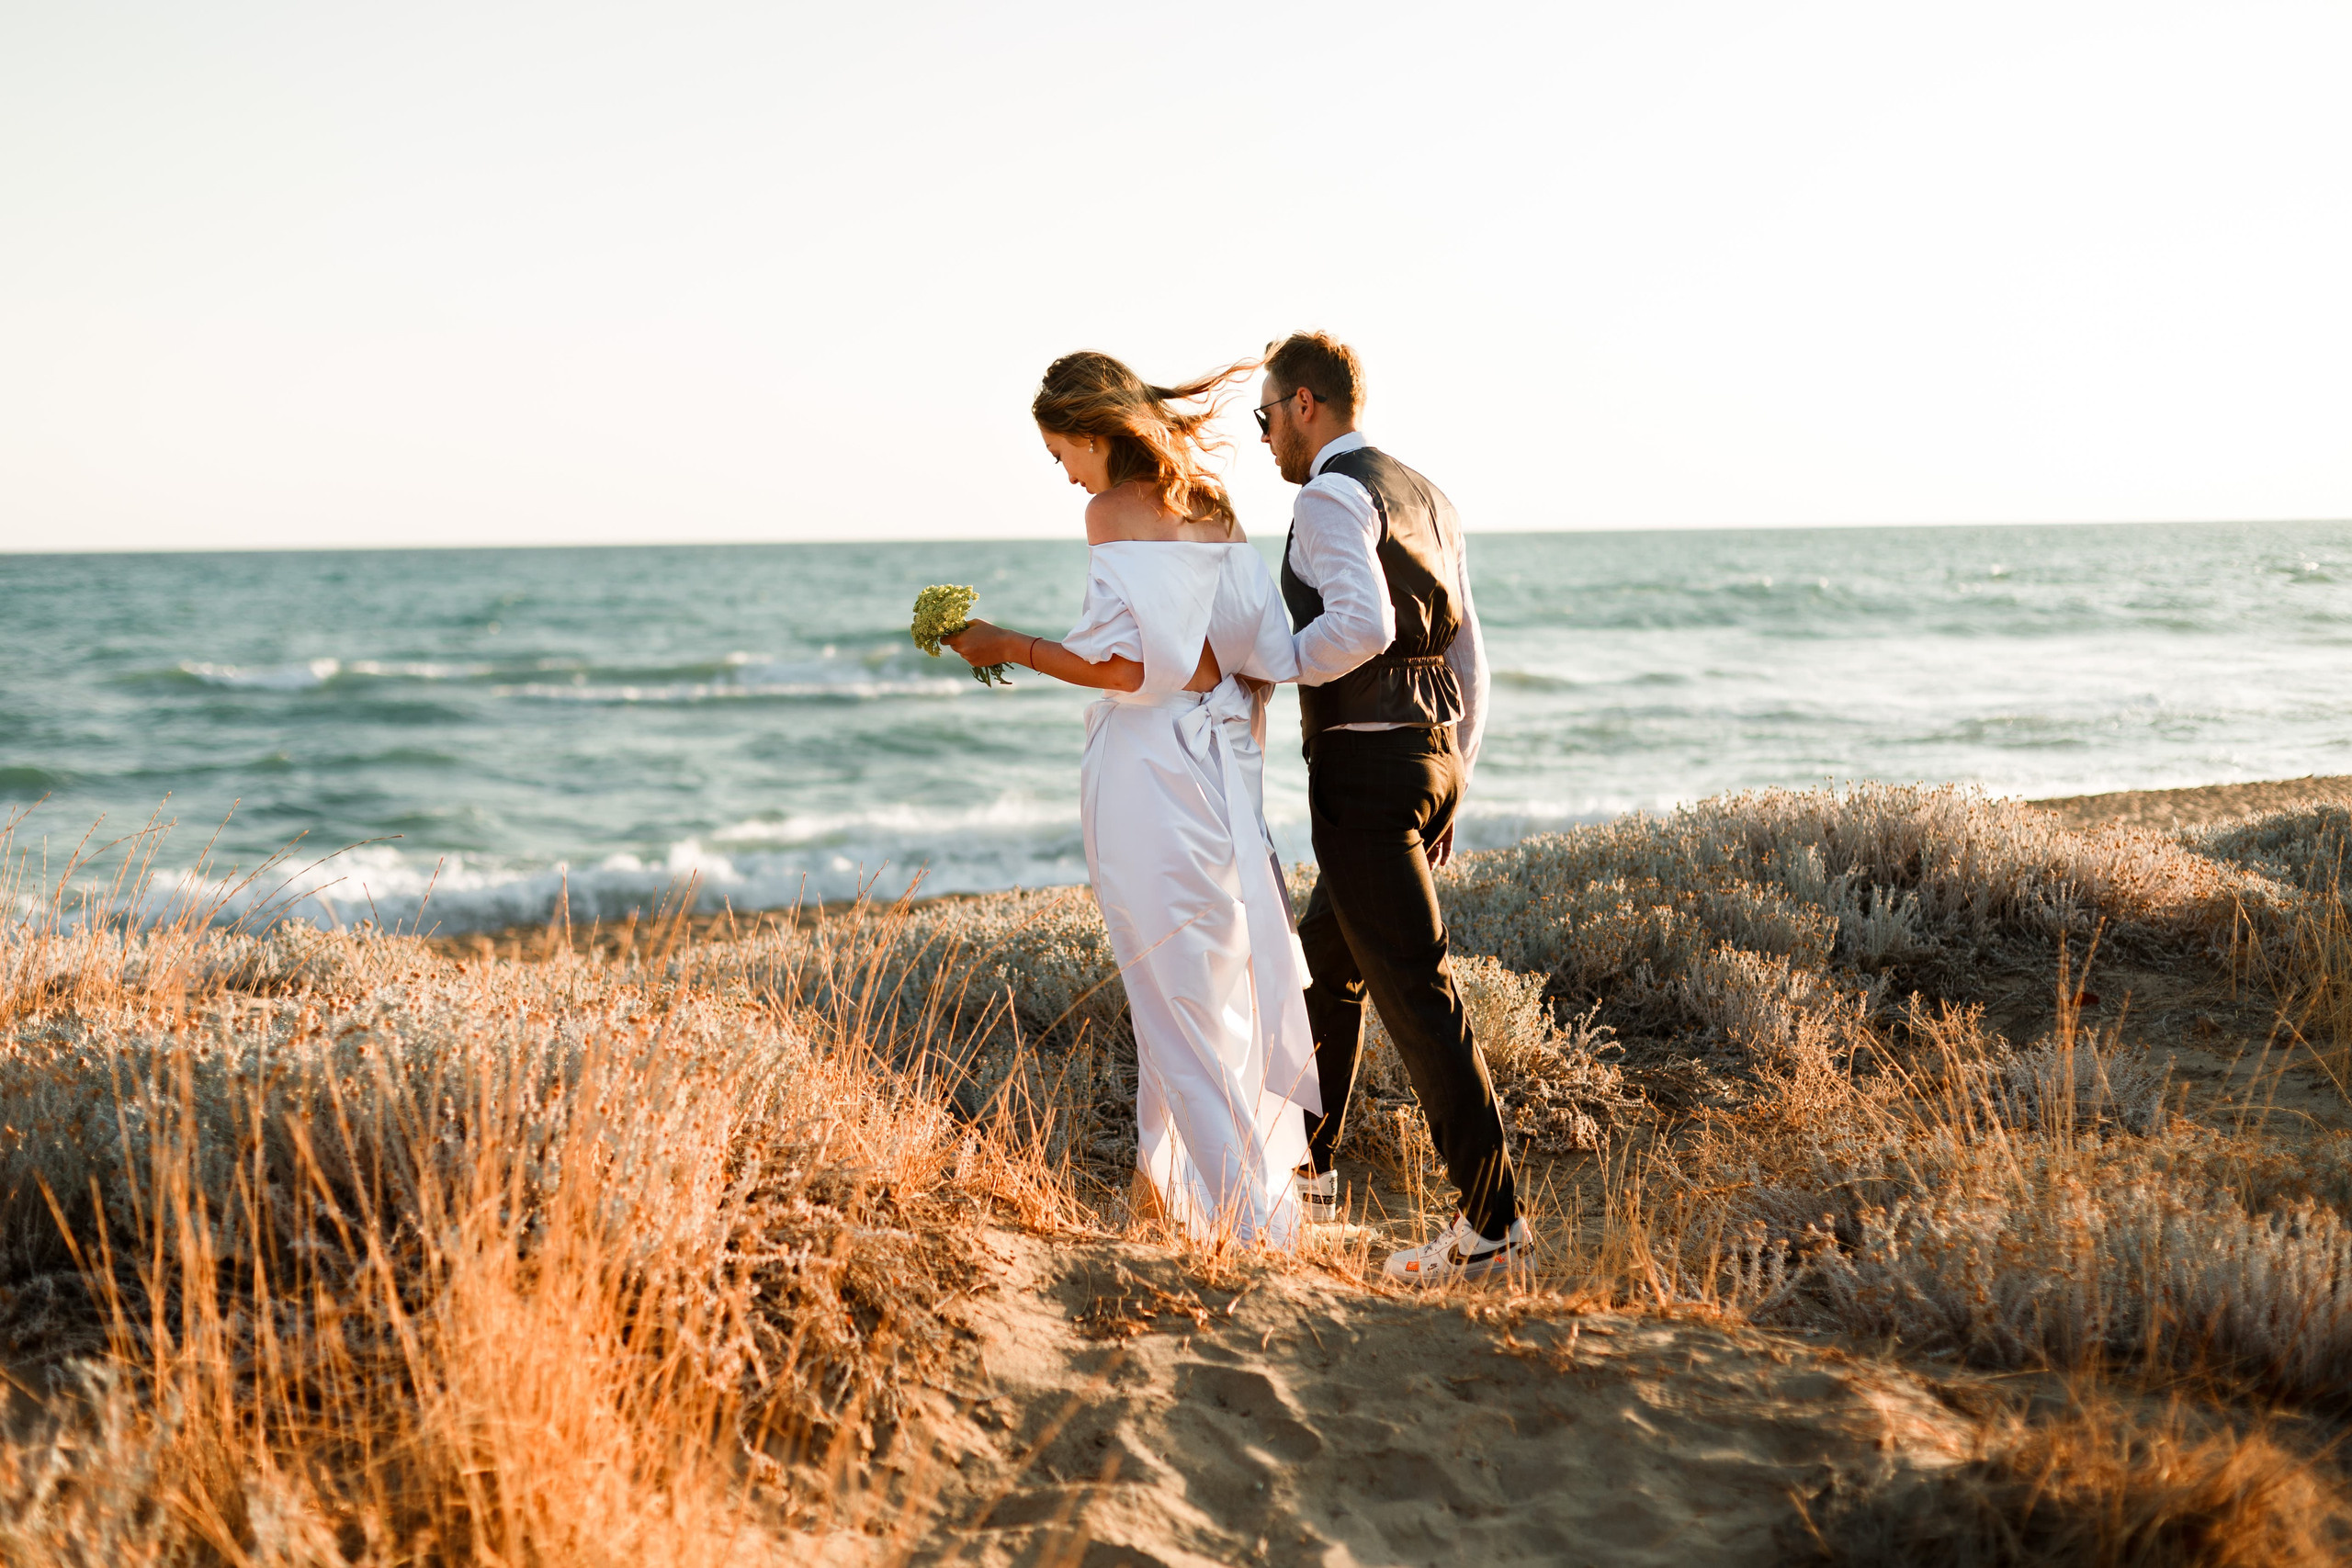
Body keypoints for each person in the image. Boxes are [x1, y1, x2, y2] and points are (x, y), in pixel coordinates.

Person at [944, 351, 1318, 1247]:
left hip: (1150, 772)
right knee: (1205, 994)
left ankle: (1255, 1230)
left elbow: (1124, 667)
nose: (1063, 472)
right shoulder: (1211, 504)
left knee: (1172, 1004)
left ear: (1088, 431)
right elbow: (1264, 652)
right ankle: (1168, 1199)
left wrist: (1007, 643)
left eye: (1059, 452)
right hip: (1218, 771)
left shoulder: (1109, 512)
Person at [1257, 330, 1531, 1282]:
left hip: (1367, 772)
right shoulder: (1428, 497)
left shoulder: (1332, 494)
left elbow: (1361, 625)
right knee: (1326, 962)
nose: (1263, 441)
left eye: (1264, 417)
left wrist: (1266, 662)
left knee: (1417, 989)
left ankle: (1492, 1226)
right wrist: (1453, 765)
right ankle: (1309, 1181)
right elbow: (1470, 660)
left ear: (1305, 405)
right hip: (1425, 759)